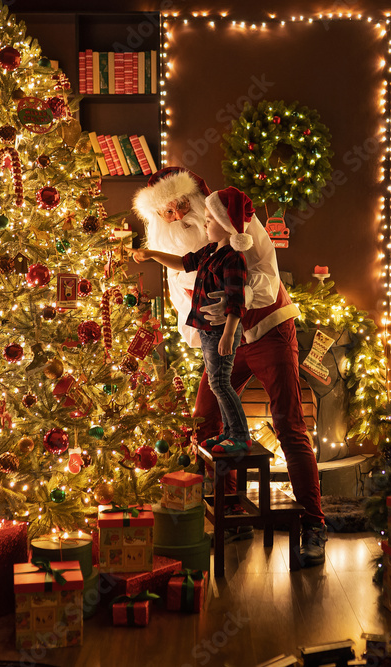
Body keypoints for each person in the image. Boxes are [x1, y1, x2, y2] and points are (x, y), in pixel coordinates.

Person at [132, 167, 327, 566]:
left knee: (289, 424)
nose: (175, 215)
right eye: (165, 211)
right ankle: (233, 511)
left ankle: (314, 525)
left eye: (180, 204)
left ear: (195, 198)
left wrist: (230, 307)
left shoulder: (234, 218)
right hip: (223, 341)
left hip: (268, 328)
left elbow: (267, 278)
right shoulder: (184, 247)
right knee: (205, 421)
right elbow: (182, 291)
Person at [131, 186, 254, 454]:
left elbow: (236, 303)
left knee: (221, 384)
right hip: (208, 330)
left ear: (224, 225)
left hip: (222, 331)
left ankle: (240, 436)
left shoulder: (234, 258)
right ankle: (228, 434)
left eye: (210, 221)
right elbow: (183, 263)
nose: (205, 224)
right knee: (216, 383)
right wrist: (152, 254)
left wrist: (227, 335)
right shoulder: (210, 250)